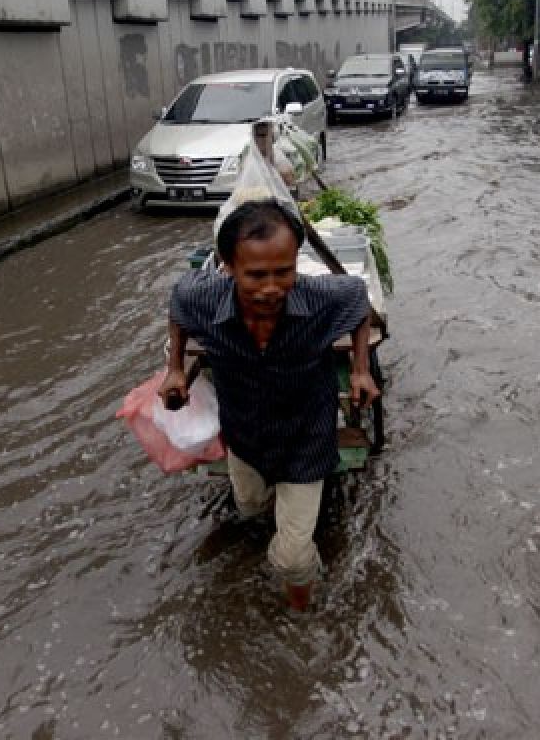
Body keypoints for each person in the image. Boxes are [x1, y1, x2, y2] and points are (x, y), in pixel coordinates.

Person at [160, 198, 380, 611]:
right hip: (244, 434)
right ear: (227, 266)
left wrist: (360, 369)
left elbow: (357, 299)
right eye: (256, 275)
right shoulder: (203, 299)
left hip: (306, 438)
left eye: (284, 271)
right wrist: (174, 368)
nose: (271, 288)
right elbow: (178, 303)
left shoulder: (322, 298)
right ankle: (281, 524)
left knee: (293, 561)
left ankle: (300, 603)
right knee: (249, 506)